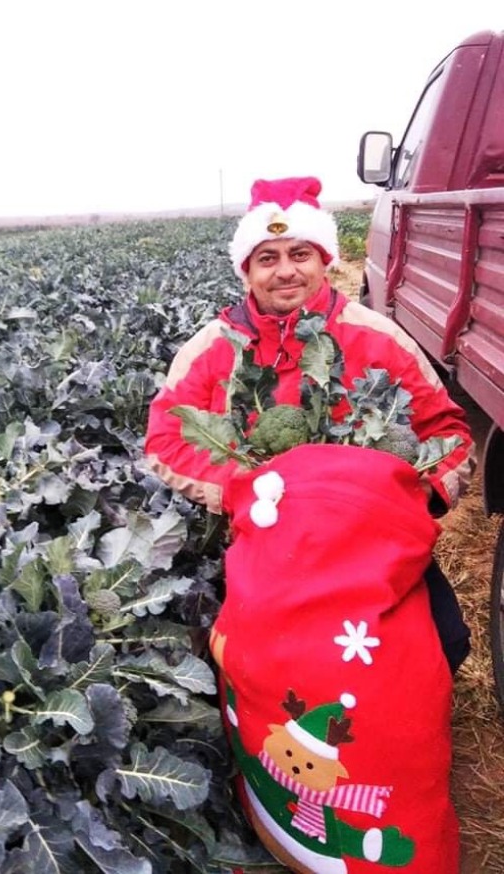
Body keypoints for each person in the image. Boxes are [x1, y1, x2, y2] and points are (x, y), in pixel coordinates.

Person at [145, 175, 475, 674]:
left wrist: (412, 497)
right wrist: (240, 489)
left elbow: (449, 432)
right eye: (267, 258)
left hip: (369, 541)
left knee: (446, 644)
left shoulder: (379, 338)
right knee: (259, 663)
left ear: (325, 261)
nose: (285, 272)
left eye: (300, 253)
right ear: (246, 272)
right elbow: (165, 439)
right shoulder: (212, 347)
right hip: (265, 540)